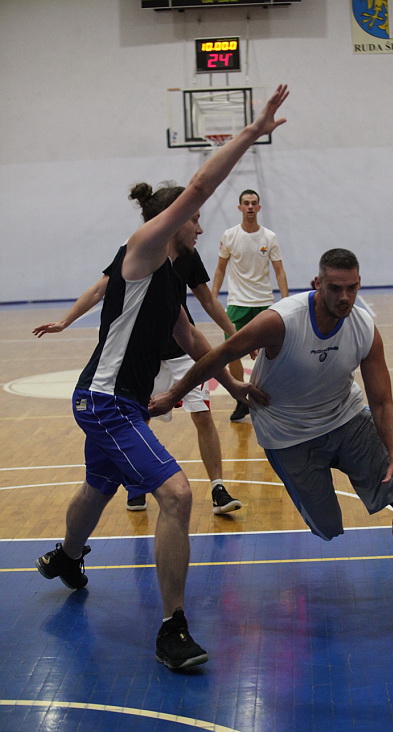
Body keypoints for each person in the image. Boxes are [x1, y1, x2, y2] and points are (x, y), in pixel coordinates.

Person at [35, 84, 289, 671]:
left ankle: (67, 557)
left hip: (116, 401)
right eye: (195, 220)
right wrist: (253, 133)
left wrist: (234, 385)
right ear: (173, 220)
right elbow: (198, 185)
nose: (200, 227)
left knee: (98, 485)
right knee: (176, 494)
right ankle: (172, 627)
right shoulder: (145, 248)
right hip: (104, 400)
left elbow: (192, 338)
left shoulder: (170, 276)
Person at [149, 247, 393, 600]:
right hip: (288, 434)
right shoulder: (281, 321)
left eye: (352, 288)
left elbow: (382, 402)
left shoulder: (364, 328)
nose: (345, 297)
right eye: (335, 288)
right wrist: (177, 394)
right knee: (326, 526)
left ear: (359, 284)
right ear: (317, 283)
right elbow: (221, 354)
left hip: (346, 418)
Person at [33, 244, 243, 516]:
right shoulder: (136, 252)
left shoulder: (187, 255)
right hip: (145, 356)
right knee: (137, 417)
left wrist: (233, 333)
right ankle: (137, 486)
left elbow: (206, 301)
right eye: (194, 223)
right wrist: (65, 321)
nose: (198, 229)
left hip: (182, 353)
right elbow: (99, 289)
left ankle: (218, 488)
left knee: (202, 415)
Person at [211, 189, 289, 422]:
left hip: (264, 302)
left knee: (273, 353)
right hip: (237, 303)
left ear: (259, 207)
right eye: (246, 203)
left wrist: (286, 301)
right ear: (240, 208)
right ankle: (240, 400)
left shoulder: (269, 237)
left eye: (254, 203)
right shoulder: (230, 236)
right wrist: (212, 297)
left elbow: (279, 271)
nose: (250, 207)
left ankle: (271, 397)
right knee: (231, 352)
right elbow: (220, 268)